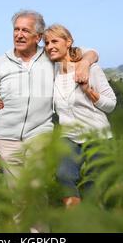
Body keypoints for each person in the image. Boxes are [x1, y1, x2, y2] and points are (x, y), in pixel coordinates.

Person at [0, 10, 99, 229]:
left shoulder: (50, 56)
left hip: (40, 134)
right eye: (16, 29)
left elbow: (90, 52)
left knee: (37, 190)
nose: (19, 34)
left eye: (26, 30)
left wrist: (85, 63)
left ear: (38, 36)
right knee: (19, 199)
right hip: (6, 141)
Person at [43, 24, 116, 208]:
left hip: (97, 134)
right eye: (46, 43)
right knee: (63, 176)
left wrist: (89, 91)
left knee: (95, 184)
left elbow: (111, 105)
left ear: (68, 42)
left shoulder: (92, 69)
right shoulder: (52, 73)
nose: (50, 46)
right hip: (70, 137)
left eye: (54, 41)